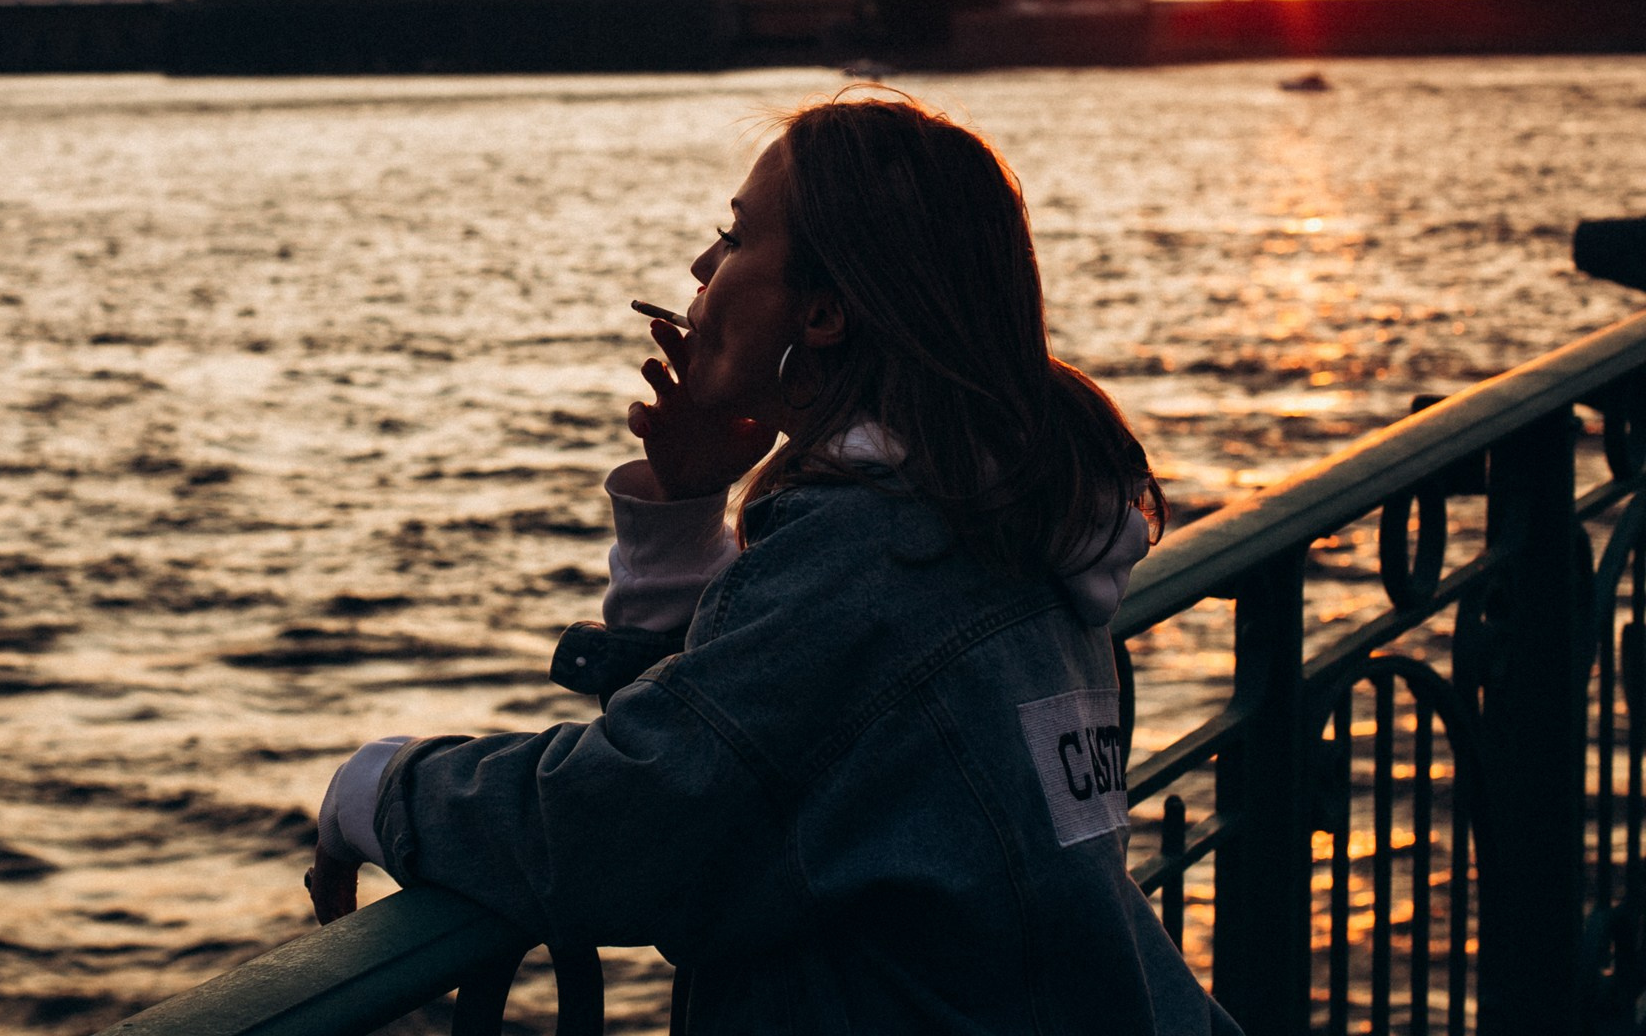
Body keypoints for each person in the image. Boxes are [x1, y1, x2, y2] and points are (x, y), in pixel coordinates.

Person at [305, 92, 1240, 1035]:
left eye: (736, 239)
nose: (702, 267)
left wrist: (381, 788)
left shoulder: (878, 560)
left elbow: (626, 828)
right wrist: (680, 515)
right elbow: (765, 743)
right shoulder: (1007, 525)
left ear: (825, 312)